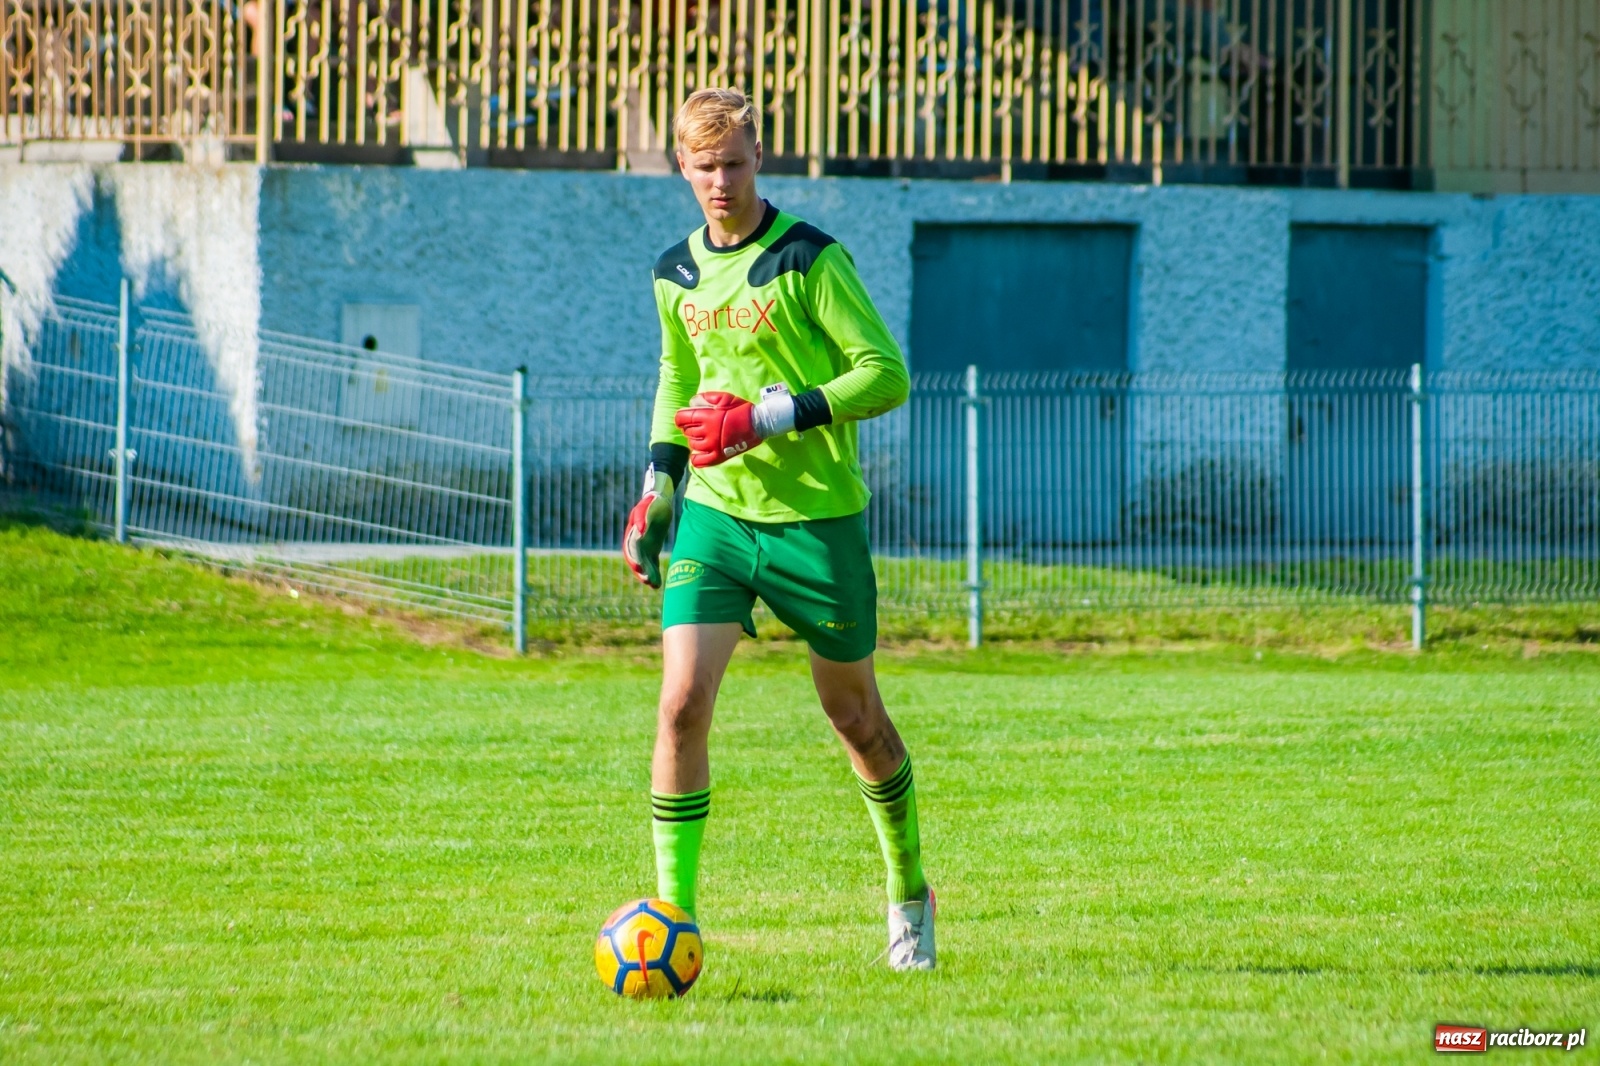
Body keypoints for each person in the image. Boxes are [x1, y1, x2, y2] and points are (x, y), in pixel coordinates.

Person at [621, 87, 934, 971]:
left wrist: (768, 417)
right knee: (680, 705)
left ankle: (909, 890)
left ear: (759, 159)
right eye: (703, 167)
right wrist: (659, 487)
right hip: (719, 521)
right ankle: (672, 925)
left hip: (816, 524)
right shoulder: (672, 273)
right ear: (681, 167)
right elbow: (676, 379)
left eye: (735, 164)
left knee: (855, 718)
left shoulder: (809, 259)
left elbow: (886, 375)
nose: (720, 182)